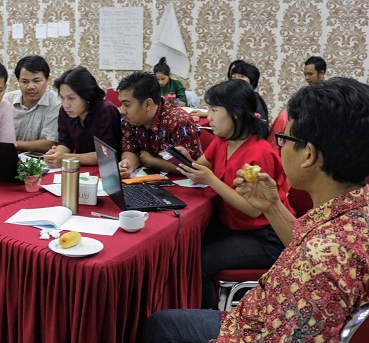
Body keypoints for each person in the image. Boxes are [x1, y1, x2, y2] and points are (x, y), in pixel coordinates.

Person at [141, 77, 369, 342]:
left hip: (250, 328)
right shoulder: (350, 213)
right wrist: (272, 205)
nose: (279, 148)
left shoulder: (320, 262)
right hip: (257, 314)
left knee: (162, 324)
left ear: (308, 155)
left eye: (284, 138)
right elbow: (301, 240)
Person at [175, 79, 293, 309]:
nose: (208, 116)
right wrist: (182, 159)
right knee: (183, 245)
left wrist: (210, 180)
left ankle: (211, 321)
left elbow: (252, 209)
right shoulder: (222, 142)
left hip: (266, 235)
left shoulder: (259, 153)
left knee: (198, 262)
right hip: (234, 225)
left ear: (236, 114)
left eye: (214, 110)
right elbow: (201, 166)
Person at [117, 71, 202, 178]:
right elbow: (130, 149)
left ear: (148, 104)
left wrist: (152, 161)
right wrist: (127, 164)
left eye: (127, 105)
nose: (122, 110)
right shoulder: (130, 119)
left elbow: (193, 167)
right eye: (121, 104)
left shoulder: (180, 122)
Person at [43, 66, 121, 168]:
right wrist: (57, 153)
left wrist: (66, 158)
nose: (66, 104)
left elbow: (107, 154)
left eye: (71, 98)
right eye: (62, 98)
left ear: (87, 96)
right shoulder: (65, 111)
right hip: (80, 167)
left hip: (106, 169)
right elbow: (65, 142)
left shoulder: (106, 111)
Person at [3, 55, 61, 153]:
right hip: (5, 157)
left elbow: (50, 143)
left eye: (36, 81)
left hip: (40, 162)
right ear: (18, 81)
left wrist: (11, 144)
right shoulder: (7, 100)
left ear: (47, 80)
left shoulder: (56, 103)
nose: (30, 87)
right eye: (24, 82)